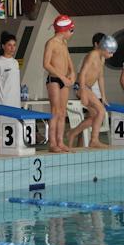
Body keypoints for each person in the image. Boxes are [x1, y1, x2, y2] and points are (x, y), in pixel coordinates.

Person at [68, 35, 117, 148]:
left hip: (87, 88)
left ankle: (73, 132)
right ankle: (94, 140)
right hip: (81, 86)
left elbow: (100, 77)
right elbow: (83, 73)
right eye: (110, 52)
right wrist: (83, 92)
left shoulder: (102, 58)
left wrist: (103, 96)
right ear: (104, 48)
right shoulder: (93, 55)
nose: (112, 55)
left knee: (95, 116)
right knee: (101, 111)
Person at [43, 15, 75, 153]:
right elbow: (46, 64)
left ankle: (60, 142)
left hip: (64, 80)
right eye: (71, 30)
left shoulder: (64, 43)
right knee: (55, 111)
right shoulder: (51, 43)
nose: (72, 33)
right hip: (54, 80)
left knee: (62, 112)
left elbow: (68, 59)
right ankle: (52, 143)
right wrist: (62, 77)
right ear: (64, 30)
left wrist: (72, 72)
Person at [0, 32, 20, 152]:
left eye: (14, 45)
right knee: (1, 129)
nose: (12, 48)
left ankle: (8, 151)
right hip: (3, 102)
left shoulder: (15, 62)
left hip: (15, 102)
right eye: (9, 45)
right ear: (3, 46)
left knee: (12, 129)